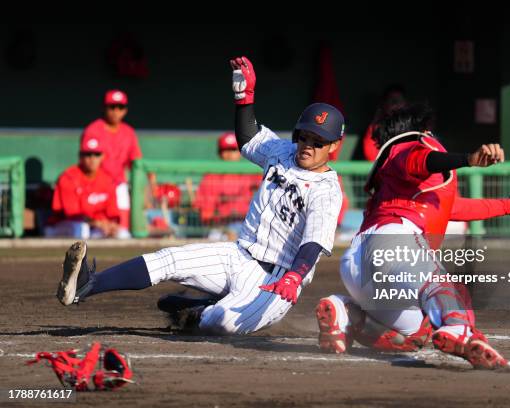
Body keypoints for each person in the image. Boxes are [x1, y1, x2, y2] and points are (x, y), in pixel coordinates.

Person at [55, 56, 344, 336]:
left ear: (334, 146)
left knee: (221, 323)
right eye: (304, 136)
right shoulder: (283, 151)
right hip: (238, 253)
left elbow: (314, 242)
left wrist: (295, 276)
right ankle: (87, 284)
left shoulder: (327, 190)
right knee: (167, 259)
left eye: (318, 142)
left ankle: (201, 307)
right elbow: (248, 138)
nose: (308, 145)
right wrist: (244, 98)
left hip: (276, 278)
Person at [316, 104, 510, 369]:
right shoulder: (410, 146)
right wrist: (468, 159)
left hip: (359, 264)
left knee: (415, 335)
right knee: (443, 287)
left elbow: (453, 208)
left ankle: (347, 315)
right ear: (421, 131)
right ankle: (458, 328)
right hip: (392, 242)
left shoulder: (400, 178)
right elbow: (424, 160)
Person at [45, 135, 129, 239]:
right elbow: (73, 215)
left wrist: (111, 225)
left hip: (94, 227)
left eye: (96, 154)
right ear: (80, 157)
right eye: (88, 154)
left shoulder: (107, 179)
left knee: (123, 233)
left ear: (102, 156)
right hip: (62, 226)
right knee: (81, 228)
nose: (92, 158)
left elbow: (113, 213)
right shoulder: (68, 178)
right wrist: (98, 223)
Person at [81, 90, 143, 231]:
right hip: (97, 185)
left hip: (119, 185)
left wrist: (146, 187)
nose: (116, 111)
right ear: (105, 108)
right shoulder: (93, 130)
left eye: (120, 107)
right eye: (112, 107)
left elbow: (136, 161)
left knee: (122, 229)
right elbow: (86, 162)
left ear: (125, 110)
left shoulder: (129, 132)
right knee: (94, 229)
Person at [193, 132, 261, 240]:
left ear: (240, 152)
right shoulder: (211, 177)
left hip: (249, 225)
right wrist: (225, 228)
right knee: (216, 237)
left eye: (233, 150)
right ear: (220, 153)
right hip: (221, 227)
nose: (229, 154)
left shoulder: (252, 174)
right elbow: (206, 215)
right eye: (225, 150)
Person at [362, 85, 408, 161]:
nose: (396, 104)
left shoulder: (414, 127)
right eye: (392, 100)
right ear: (384, 104)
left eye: (399, 100)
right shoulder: (375, 128)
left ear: (405, 103)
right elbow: (372, 158)